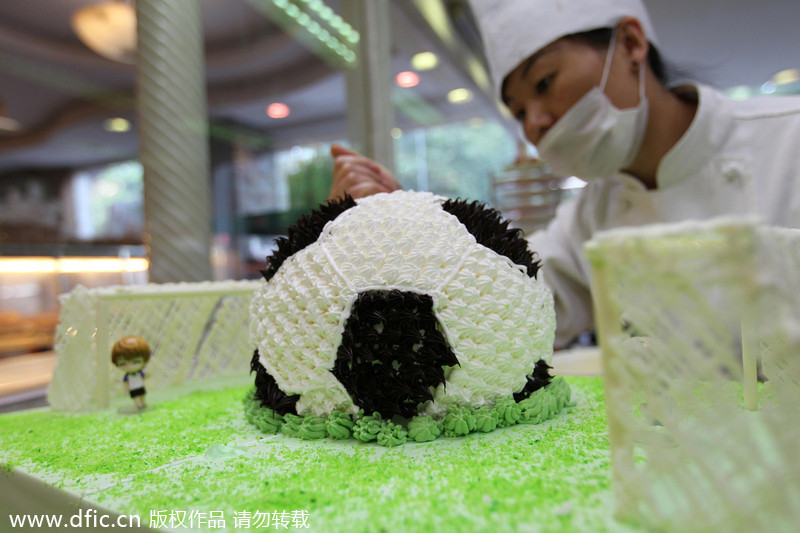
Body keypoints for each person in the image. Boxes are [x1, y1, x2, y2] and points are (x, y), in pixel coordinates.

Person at [327, 0, 800, 349]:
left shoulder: (788, 141)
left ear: (632, 44)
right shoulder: (595, 213)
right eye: (518, 112)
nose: (534, 123)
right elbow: (503, 304)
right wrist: (395, 227)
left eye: (544, 83)